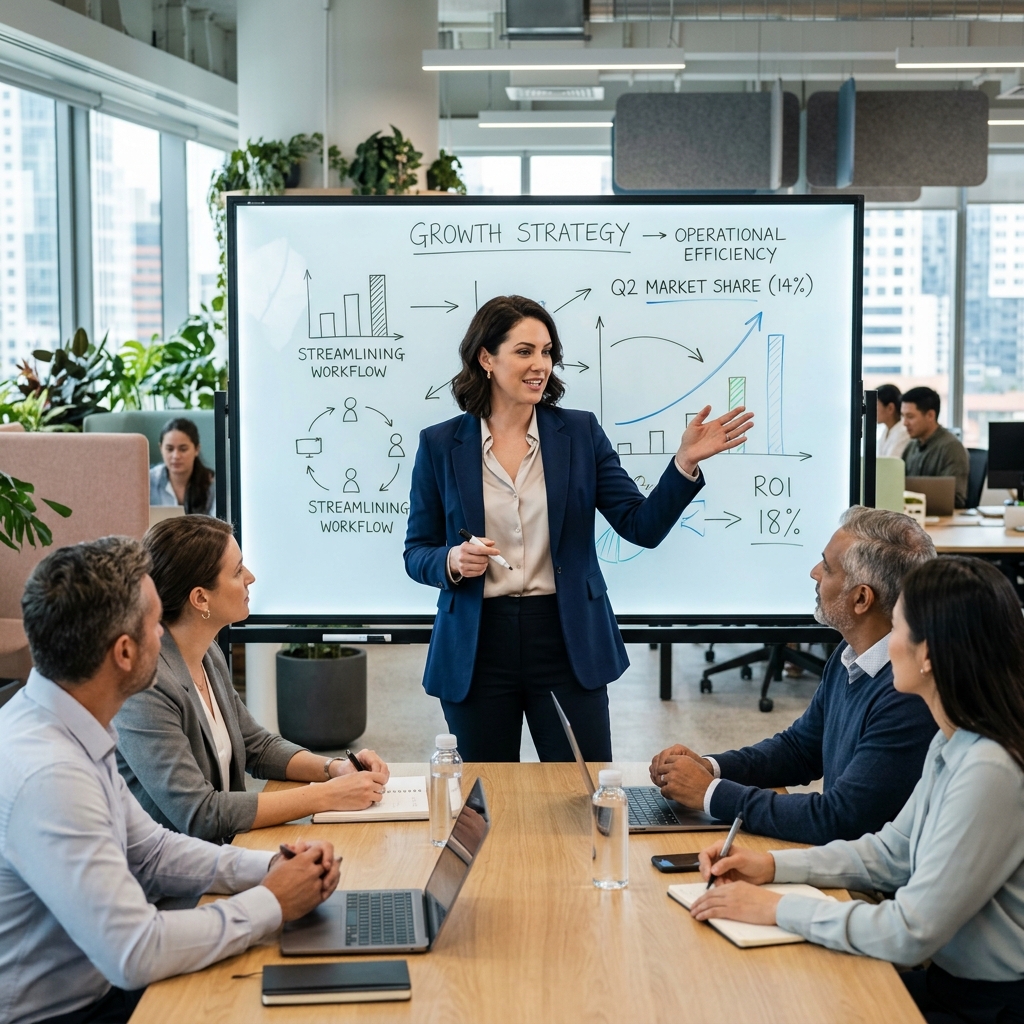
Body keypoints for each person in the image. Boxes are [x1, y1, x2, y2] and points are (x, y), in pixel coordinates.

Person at [0, 537, 340, 1024]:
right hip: (73, 1012)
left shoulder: (71, 723)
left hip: (105, 988)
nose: (164, 638)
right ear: (123, 652)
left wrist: (274, 867)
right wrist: (271, 902)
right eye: (154, 626)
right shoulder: (51, 776)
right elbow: (135, 951)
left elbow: (153, 851)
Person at [404, 294, 752, 763]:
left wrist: (683, 463)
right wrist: (451, 560)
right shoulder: (441, 444)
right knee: (485, 798)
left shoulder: (580, 433)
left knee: (581, 793)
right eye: (524, 351)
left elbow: (640, 525)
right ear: (486, 358)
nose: (540, 365)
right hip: (477, 643)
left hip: (567, 638)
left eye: (546, 352)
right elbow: (416, 550)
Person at [689, 557, 1024, 1024]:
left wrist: (777, 909)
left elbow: (909, 930)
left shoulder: (990, 769)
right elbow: (892, 852)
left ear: (929, 655)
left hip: (991, 1008)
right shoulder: (953, 739)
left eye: (900, 628)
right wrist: (770, 866)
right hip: (954, 987)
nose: (889, 646)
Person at [649, 506, 937, 845]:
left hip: (868, 883)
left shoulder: (907, 693)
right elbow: (800, 750)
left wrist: (711, 794)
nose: (815, 573)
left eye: (827, 568)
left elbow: (839, 819)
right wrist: (711, 768)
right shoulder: (852, 655)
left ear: (861, 598)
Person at [115, 514, 389, 844]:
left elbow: (256, 746)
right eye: (237, 571)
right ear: (201, 598)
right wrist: (327, 796)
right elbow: (200, 813)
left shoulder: (207, 652)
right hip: (173, 881)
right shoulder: (146, 686)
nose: (251, 577)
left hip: (224, 851)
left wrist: (334, 769)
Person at [901, 386, 970, 508]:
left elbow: (955, 499)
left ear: (930, 415)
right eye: (903, 416)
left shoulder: (951, 448)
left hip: (941, 522)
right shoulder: (911, 446)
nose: (905, 423)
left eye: (910, 417)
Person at [149, 416, 215, 515]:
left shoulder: (212, 484)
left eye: (183, 449)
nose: (176, 456)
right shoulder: (149, 481)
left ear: (197, 449)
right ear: (161, 448)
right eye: (169, 449)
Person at [876, 383, 910, 459]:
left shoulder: (903, 432)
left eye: (875, 406)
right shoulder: (886, 430)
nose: (871, 411)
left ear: (890, 408)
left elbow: (891, 464)